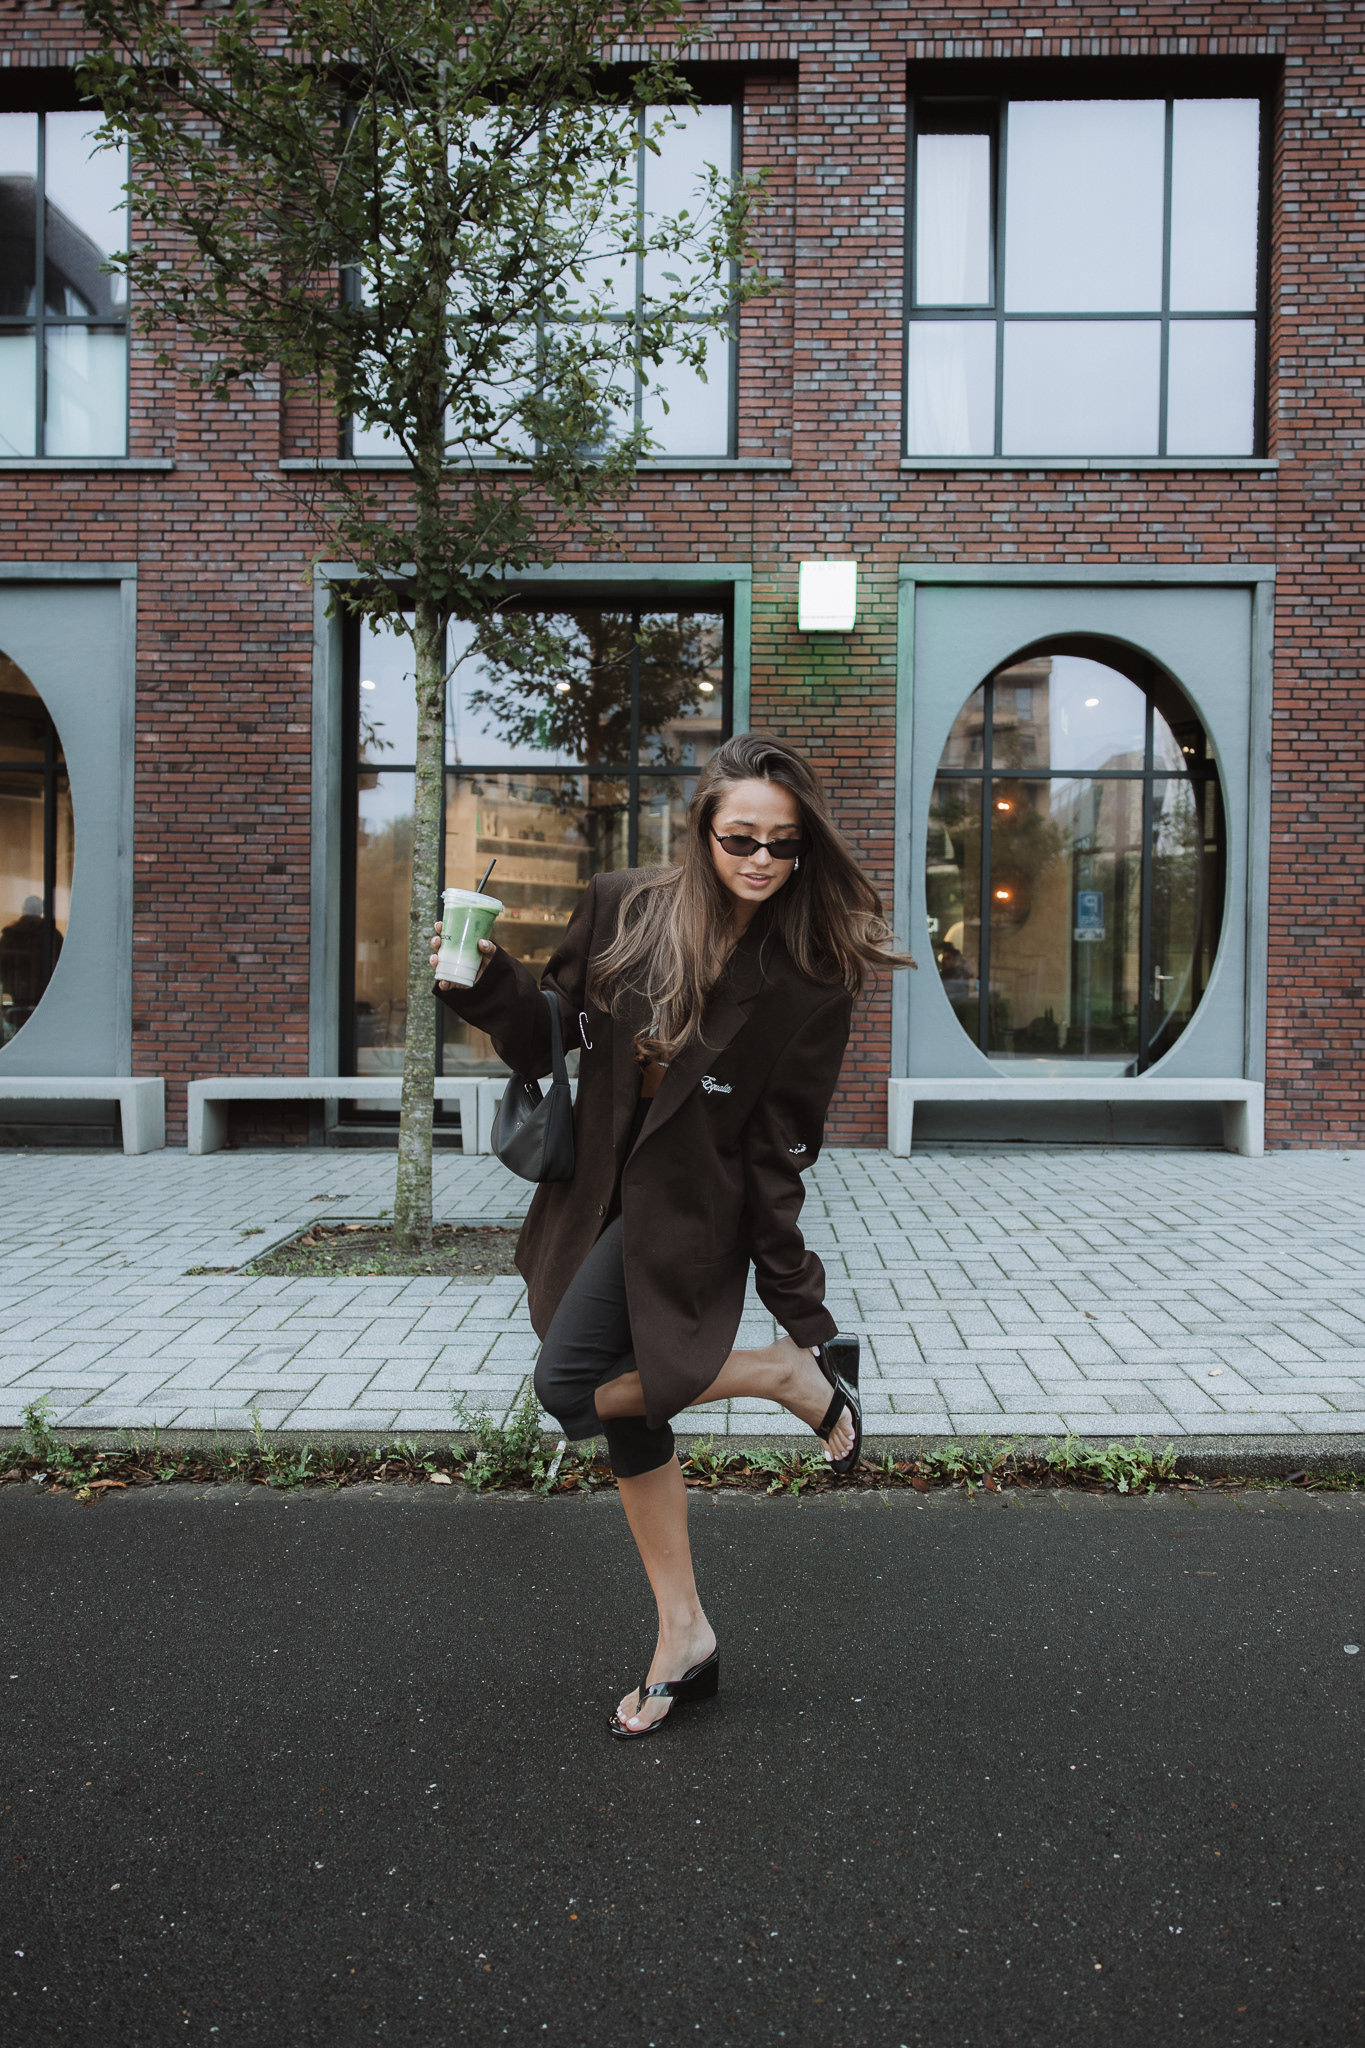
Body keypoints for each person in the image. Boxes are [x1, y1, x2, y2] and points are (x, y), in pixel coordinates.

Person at [432, 733, 914, 1738]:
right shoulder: (625, 905)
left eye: (784, 843)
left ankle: (781, 1375)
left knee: (569, 1387)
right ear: (702, 830)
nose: (762, 860)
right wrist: (480, 978)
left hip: (691, 1213)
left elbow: (778, 1152)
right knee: (631, 1417)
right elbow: (553, 1028)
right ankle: (683, 1633)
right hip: (596, 1192)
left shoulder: (811, 978)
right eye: (742, 837)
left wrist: (800, 1309)